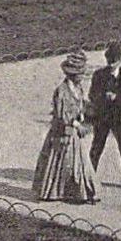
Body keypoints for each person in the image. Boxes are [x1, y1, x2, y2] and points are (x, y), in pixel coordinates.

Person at [32, 51, 99, 204]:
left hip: (74, 130)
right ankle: (57, 191)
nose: (82, 77)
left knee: (80, 162)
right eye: (80, 74)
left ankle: (84, 191)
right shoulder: (61, 91)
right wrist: (77, 125)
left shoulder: (79, 88)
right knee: (62, 161)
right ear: (72, 75)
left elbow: (79, 106)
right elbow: (62, 116)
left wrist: (82, 118)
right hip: (62, 131)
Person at [88, 44, 121, 191]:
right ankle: (88, 177)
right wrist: (103, 97)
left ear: (120, 60)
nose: (111, 64)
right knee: (97, 147)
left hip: (119, 118)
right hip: (103, 117)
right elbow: (91, 95)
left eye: (114, 61)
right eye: (109, 60)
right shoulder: (99, 75)